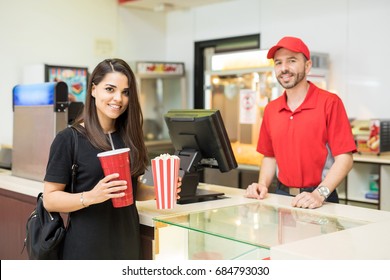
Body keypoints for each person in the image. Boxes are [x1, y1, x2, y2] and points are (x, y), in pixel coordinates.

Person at [43, 58, 180, 259]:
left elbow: (131, 188)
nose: (118, 98)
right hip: (86, 250)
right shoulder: (69, 139)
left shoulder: (130, 136)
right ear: (93, 90)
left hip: (127, 245)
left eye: (125, 92)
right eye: (110, 89)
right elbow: (50, 199)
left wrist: (157, 192)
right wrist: (90, 196)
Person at [245, 36, 356, 209]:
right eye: (278, 63)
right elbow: (269, 156)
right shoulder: (271, 109)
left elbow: (345, 159)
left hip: (321, 198)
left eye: (291, 61)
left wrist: (320, 194)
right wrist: (262, 185)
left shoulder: (330, 103)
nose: (284, 69)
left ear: (307, 65)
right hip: (282, 196)